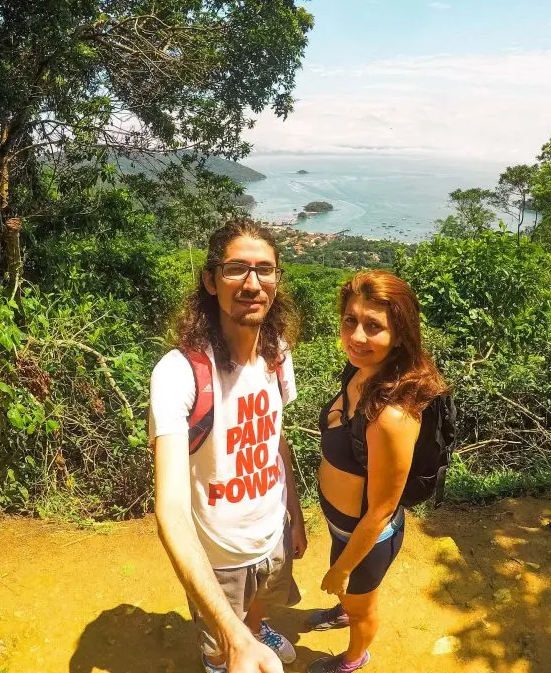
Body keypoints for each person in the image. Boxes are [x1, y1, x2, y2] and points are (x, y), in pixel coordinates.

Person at [150, 219, 308, 673]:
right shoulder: (179, 373)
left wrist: (293, 514)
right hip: (217, 552)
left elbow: (276, 437)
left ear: (277, 280)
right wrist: (233, 640)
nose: (253, 283)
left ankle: (255, 629)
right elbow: (172, 510)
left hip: (272, 532)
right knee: (221, 646)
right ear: (210, 280)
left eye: (265, 270)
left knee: (263, 601)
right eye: (237, 268)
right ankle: (225, 653)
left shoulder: (277, 350)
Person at [305, 270, 448, 673]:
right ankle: (345, 609)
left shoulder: (392, 416)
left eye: (374, 326)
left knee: (363, 604)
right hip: (341, 525)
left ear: (399, 335)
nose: (357, 336)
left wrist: (342, 568)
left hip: (365, 536)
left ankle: (353, 658)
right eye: (351, 321)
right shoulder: (358, 373)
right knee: (349, 597)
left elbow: (381, 508)